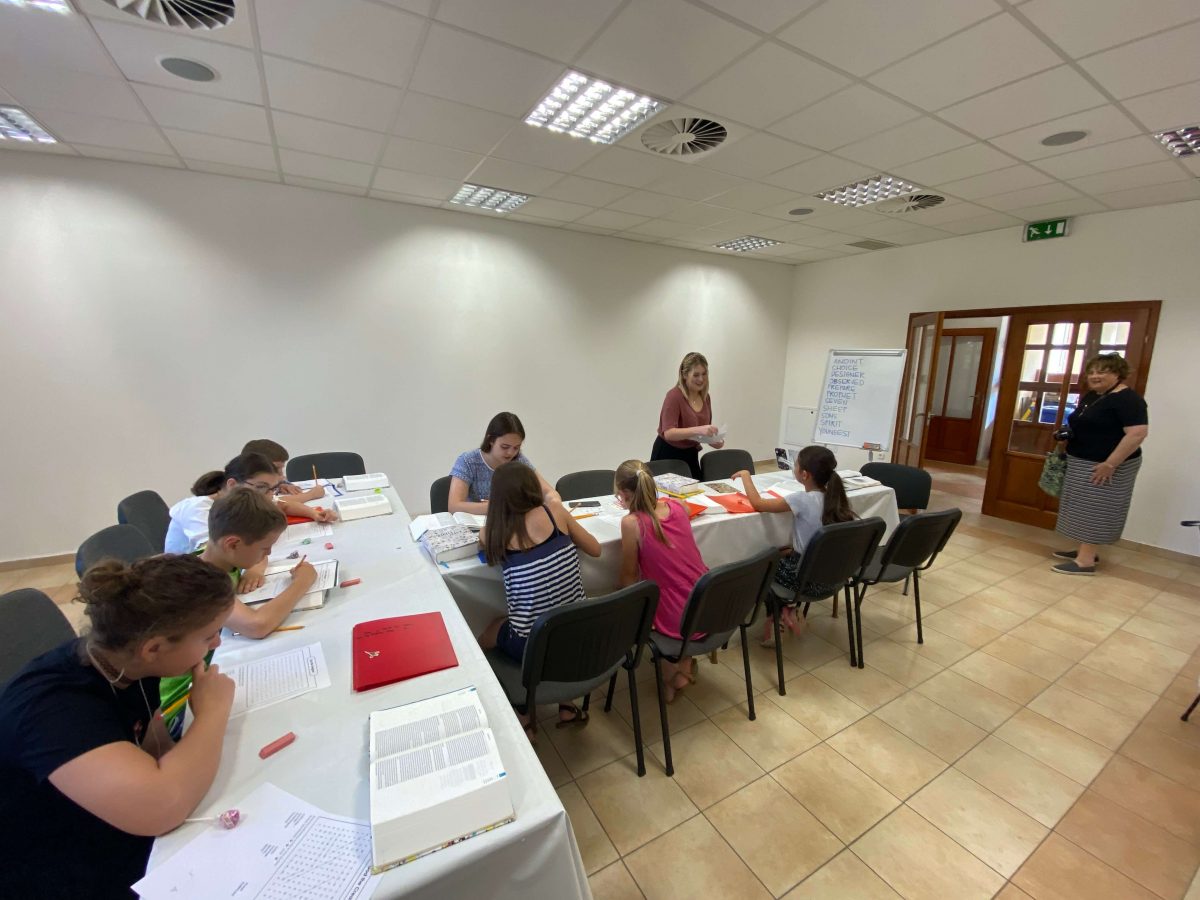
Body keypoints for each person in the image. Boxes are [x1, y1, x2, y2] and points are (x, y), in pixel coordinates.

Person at [0, 555, 236, 898]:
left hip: (108, 827)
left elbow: (156, 745)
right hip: (60, 868)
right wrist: (213, 711)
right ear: (153, 647)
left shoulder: (128, 662)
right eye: (209, 636)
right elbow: (160, 809)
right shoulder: (55, 709)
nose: (216, 644)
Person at [478, 462, 600, 736]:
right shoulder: (555, 512)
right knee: (554, 617)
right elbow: (596, 550)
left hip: (532, 646)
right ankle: (565, 703)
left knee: (486, 633)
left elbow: (486, 553)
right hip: (578, 632)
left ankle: (519, 705)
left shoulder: (493, 532)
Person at [734, 445, 856, 645]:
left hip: (804, 580)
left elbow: (758, 504)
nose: (794, 467)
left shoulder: (801, 500)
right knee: (779, 555)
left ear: (804, 475)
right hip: (835, 578)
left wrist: (746, 476)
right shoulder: (838, 500)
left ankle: (781, 616)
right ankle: (789, 611)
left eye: (796, 464)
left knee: (761, 568)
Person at [614, 460, 708, 702]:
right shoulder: (678, 506)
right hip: (706, 601)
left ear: (624, 495)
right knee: (675, 589)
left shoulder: (631, 523)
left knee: (641, 604)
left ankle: (672, 676)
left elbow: (628, 577)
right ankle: (683, 665)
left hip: (676, 613)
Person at [1052, 352, 1148, 576]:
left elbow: (1137, 434)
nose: (1095, 376)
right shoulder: (1094, 395)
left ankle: (1085, 562)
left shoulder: (1128, 400)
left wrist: (1110, 464)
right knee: (1080, 506)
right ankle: (1085, 551)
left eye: (1102, 372)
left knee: (1095, 508)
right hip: (1082, 460)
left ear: (1118, 374)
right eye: (1092, 372)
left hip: (1107, 465)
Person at [164, 452, 334, 557]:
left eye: (272, 489)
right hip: (187, 581)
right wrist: (257, 566)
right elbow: (214, 553)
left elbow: (283, 504)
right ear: (232, 484)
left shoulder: (246, 500)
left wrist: (314, 514)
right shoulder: (198, 508)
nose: (269, 496)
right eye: (261, 487)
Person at [448, 412, 559, 515]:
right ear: (490, 440)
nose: (511, 453)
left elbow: (549, 492)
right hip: (476, 525)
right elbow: (454, 506)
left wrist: (554, 501)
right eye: (505, 447)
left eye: (516, 447)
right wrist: (500, 506)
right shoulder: (468, 461)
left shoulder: (518, 460)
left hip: (510, 523)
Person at [651, 352, 724, 480]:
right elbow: (669, 433)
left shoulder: (705, 397)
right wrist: (699, 430)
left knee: (696, 490)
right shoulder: (674, 396)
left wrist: (714, 440)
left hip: (690, 454)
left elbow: (700, 434)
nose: (701, 379)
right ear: (684, 375)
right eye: (696, 375)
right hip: (668, 454)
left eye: (704, 374)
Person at [242, 438, 325, 502]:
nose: (281, 474)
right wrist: (311, 495)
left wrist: (283, 485)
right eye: (276, 468)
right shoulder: (245, 488)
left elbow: (282, 481)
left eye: (281, 468)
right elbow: (276, 503)